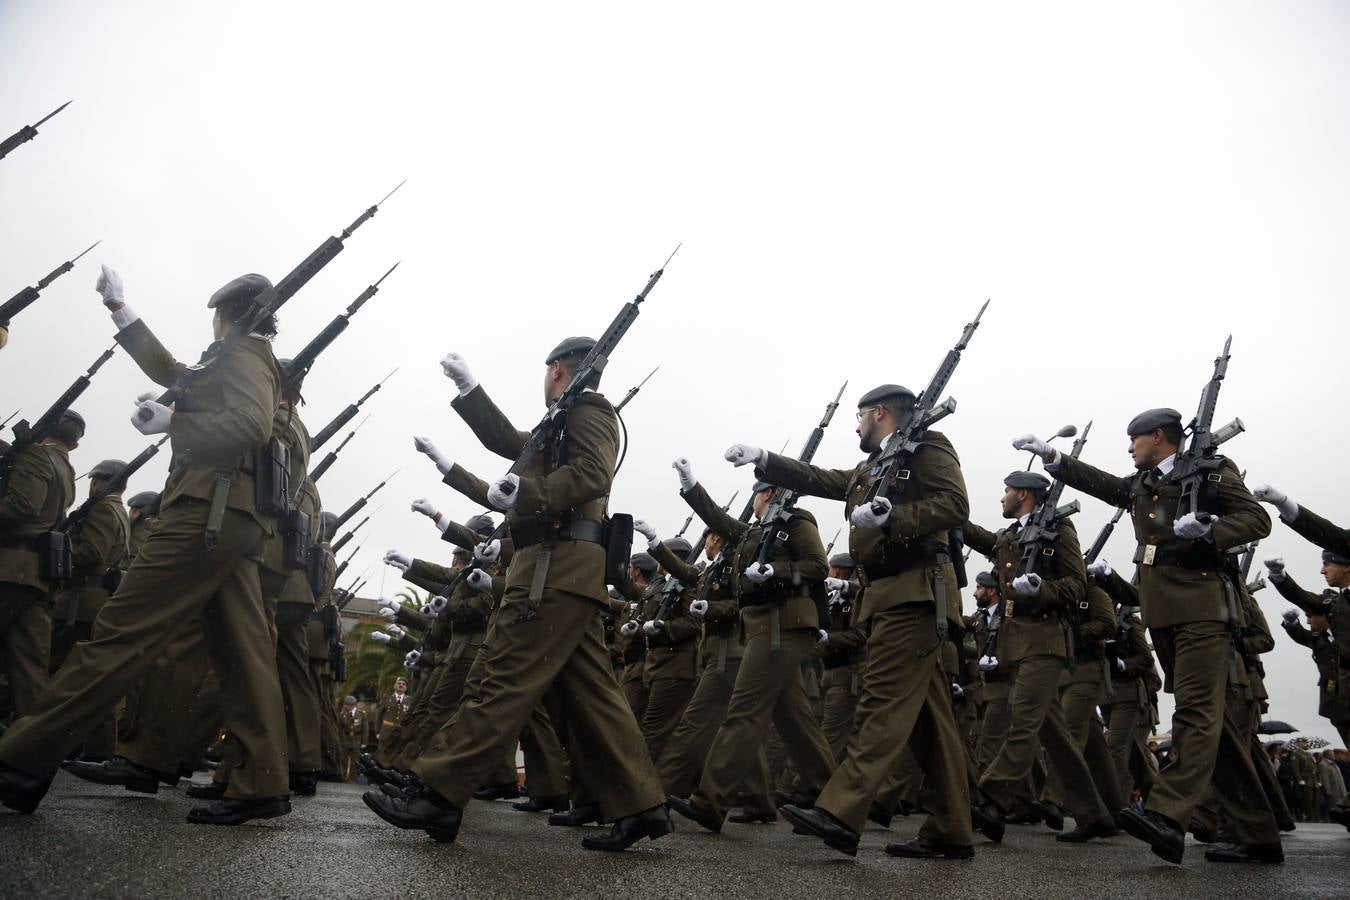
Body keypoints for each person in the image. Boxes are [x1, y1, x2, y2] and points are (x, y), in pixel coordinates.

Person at [0, 267, 290, 825]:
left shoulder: (245, 354)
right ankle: (261, 782)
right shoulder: (245, 356)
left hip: (205, 513)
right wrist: (123, 313)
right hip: (232, 518)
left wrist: (175, 425)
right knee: (243, 656)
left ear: (225, 313)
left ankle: (20, 760)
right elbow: (176, 372)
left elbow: (251, 425)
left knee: (119, 633)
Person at [361, 339, 669, 852]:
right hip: (562, 572)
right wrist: (470, 391)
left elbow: (593, 474)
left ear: (556, 370)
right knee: (595, 698)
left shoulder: (590, 409)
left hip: (554, 570)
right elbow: (511, 441)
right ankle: (642, 805)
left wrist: (528, 493)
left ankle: (439, 794)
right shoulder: (561, 424)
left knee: (499, 680)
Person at [1016, 407, 1281, 863]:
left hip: (1203, 608)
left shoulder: (1211, 472)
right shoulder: (1144, 483)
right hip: (1164, 613)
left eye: (1134, 440)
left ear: (1158, 437)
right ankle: (1258, 833)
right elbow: (1108, 487)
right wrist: (1055, 458)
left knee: (1196, 713)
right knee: (1213, 729)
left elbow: (1257, 520)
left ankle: (1167, 815)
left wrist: (1214, 529)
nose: (1129, 448)